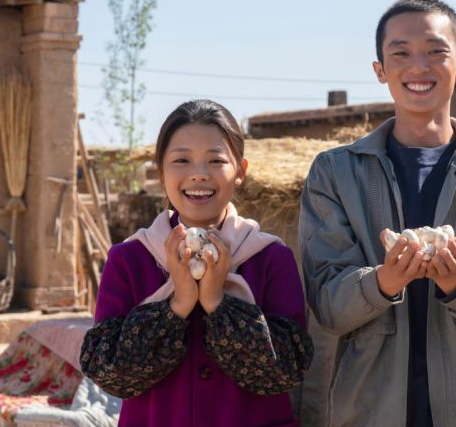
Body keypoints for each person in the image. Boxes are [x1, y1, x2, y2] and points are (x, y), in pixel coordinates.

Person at [298, 0, 456, 427]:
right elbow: (328, 307)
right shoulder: (335, 173)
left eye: (436, 52)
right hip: (367, 411)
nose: (419, 67)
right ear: (380, 70)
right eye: (401, 53)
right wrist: (384, 280)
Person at [80, 99, 313, 427]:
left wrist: (218, 303)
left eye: (215, 160)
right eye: (181, 160)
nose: (198, 174)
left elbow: (287, 371)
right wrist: (177, 305)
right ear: (161, 170)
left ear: (241, 172)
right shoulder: (129, 259)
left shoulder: (270, 258)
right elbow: (110, 374)